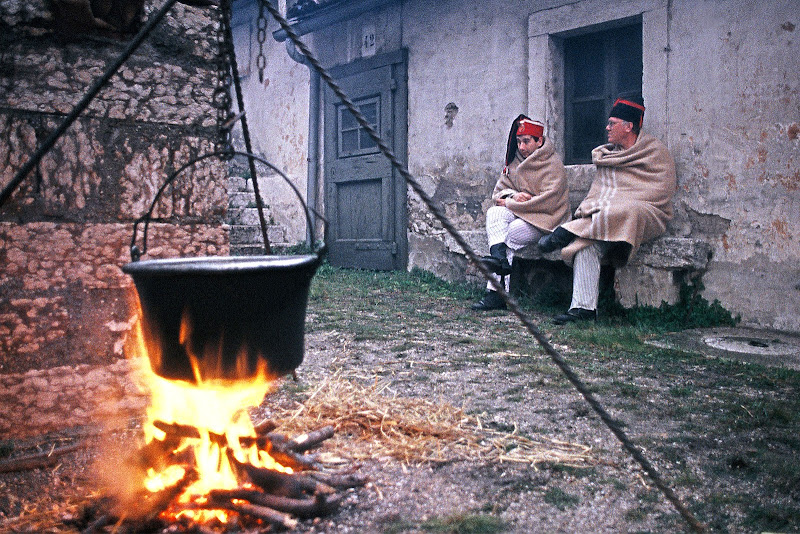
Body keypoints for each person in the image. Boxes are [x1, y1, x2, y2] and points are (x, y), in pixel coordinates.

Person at [537, 97, 677, 324]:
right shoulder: (608, 157)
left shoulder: (654, 152)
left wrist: (610, 208)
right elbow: (599, 196)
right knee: (585, 247)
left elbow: (660, 191)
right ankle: (583, 310)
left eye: (612, 123)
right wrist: (591, 210)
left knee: (630, 208)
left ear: (628, 126)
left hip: (646, 214)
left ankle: (567, 232)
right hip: (605, 222)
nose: (607, 128)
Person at [472, 115, 570, 311]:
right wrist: (514, 196)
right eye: (518, 141)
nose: (522, 147)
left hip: (545, 221)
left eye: (526, 141)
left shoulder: (552, 165)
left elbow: (547, 202)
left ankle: (496, 294)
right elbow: (498, 193)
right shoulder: (515, 161)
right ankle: (499, 261)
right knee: (494, 214)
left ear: (539, 141)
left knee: (509, 234)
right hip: (521, 212)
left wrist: (509, 204)